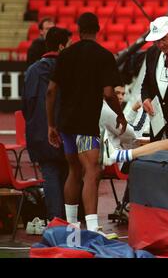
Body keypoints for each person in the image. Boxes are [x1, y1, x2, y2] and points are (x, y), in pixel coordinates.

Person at [46, 12, 126, 237]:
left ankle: (71, 227)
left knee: (73, 170)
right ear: (98, 30)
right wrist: (120, 114)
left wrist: (51, 124)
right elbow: (109, 93)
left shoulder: (65, 55)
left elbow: (51, 91)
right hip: (86, 124)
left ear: (79, 30)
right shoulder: (104, 56)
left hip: (66, 124)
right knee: (92, 171)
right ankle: (91, 228)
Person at [22, 27, 72, 221]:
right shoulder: (69, 69)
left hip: (40, 134)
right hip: (67, 131)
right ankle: (67, 218)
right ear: (61, 46)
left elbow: (26, 105)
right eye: (68, 45)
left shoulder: (32, 71)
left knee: (50, 173)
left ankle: (55, 219)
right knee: (68, 173)